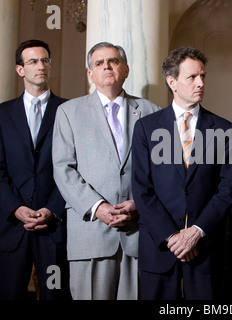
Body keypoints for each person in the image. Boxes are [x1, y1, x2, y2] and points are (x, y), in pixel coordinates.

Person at [52, 42, 160, 300]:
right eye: (99, 63)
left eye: (113, 61)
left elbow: (162, 171)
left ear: (126, 70)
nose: (107, 67)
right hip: (89, 232)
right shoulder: (68, 112)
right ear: (90, 74)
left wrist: (139, 204)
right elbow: (63, 168)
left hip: (137, 232)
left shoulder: (151, 111)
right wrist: (97, 206)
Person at [131, 47, 232, 300]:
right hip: (159, 246)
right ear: (172, 82)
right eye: (192, 77)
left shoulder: (225, 129)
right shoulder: (146, 128)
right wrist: (172, 237)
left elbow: (227, 190)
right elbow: (141, 188)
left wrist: (196, 232)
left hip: (205, 246)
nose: (201, 83)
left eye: (203, 76)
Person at [0, 39, 70, 300]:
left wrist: (52, 209)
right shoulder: (1, 114)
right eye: (33, 61)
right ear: (20, 69)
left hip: (54, 229)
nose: (40, 66)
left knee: (56, 296)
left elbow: (73, 169)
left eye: (45, 60)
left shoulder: (69, 111)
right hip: (13, 228)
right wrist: (16, 208)